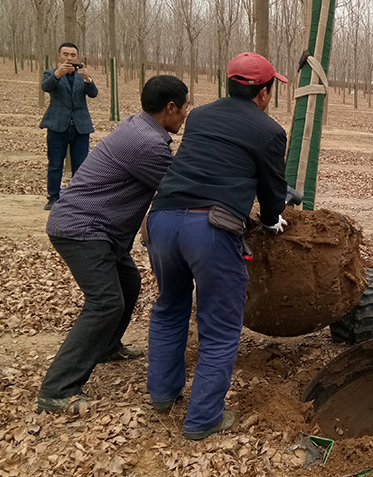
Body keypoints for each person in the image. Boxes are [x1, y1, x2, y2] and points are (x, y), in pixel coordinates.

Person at [145, 52, 289, 440]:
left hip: (161, 220)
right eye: (271, 89)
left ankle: (162, 393)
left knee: (169, 305)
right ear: (263, 92)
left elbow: (212, 162)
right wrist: (274, 218)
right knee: (220, 327)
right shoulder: (270, 131)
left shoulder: (200, 116)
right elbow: (273, 190)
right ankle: (204, 418)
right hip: (209, 229)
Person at [38, 75, 190, 413]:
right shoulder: (148, 144)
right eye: (184, 109)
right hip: (84, 229)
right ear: (169, 108)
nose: (184, 115)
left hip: (98, 229)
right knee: (105, 303)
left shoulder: (140, 126)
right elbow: (180, 188)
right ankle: (57, 389)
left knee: (128, 282)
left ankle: (107, 346)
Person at [40, 42, 99, 210]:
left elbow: (93, 94)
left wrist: (88, 79)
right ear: (59, 56)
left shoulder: (82, 75)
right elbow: (46, 87)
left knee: (80, 164)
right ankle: (53, 197)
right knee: (55, 163)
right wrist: (58, 74)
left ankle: (77, 197)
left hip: (81, 125)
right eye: (65, 54)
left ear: (77, 57)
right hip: (58, 124)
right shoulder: (51, 73)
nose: (69, 58)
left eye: (73, 55)